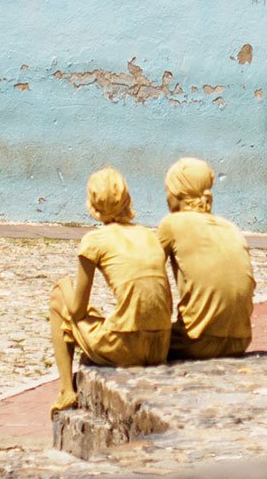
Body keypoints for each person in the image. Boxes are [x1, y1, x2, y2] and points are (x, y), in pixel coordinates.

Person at [49, 167, 172, 415]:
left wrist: (66, 289)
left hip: (124, 347)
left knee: (59, 295)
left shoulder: (94, 241)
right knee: (98, 317)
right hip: (160, 345)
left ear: (92, 204)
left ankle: (65, 389)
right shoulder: (149, 235)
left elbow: (77, 310)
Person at [156, 157, 254, 360]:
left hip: (196, 341)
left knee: (134, 343)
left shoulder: (172, 224)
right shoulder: (230, 227)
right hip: (241, 341)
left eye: (168, 191)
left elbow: (146, 268)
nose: (166, 198)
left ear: (178, 193)